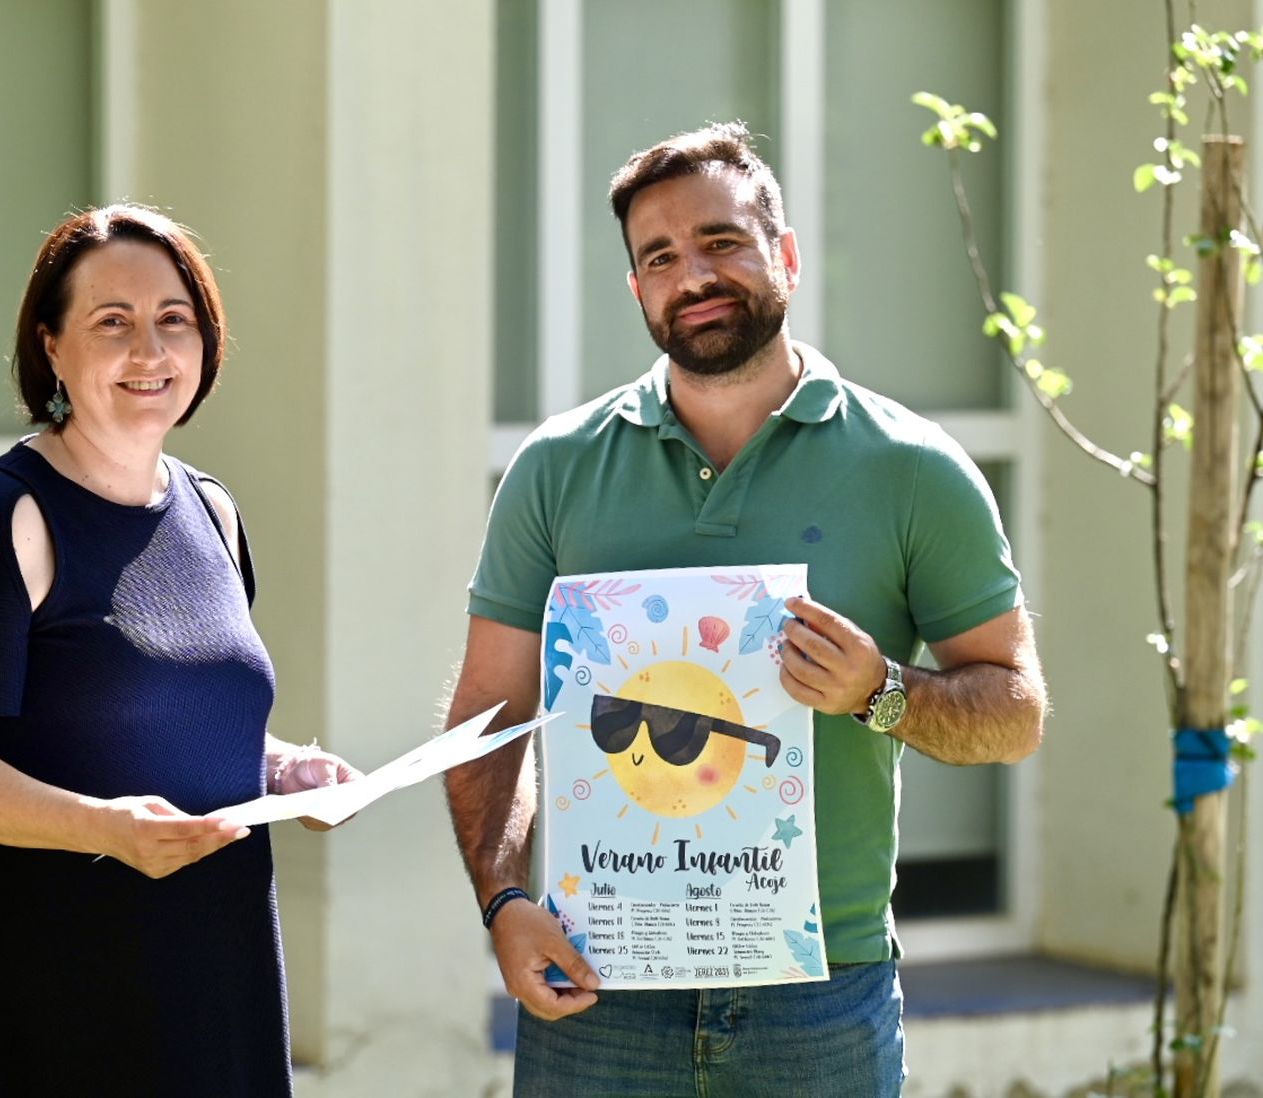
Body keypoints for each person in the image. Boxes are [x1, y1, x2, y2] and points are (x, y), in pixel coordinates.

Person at [443, 122, 1047, 1097]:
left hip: (820, 997)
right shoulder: (553, 472)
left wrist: (881, 691)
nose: (694, 275)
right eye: (660, 257)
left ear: (787, 255)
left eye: (721, 241)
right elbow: (490, 713)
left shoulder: (911, 471)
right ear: (637, 289)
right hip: (599, 988)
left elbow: (1014, 712)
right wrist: (505, 901)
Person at [0, 204, 358, 1097]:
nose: (150, 351)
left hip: (217, 976)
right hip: (57, 995)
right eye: (113, 322)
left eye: (173, 320)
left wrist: (288, 769)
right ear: (52, 348)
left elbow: (168, 719)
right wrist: (104, 829)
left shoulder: (211, 511)